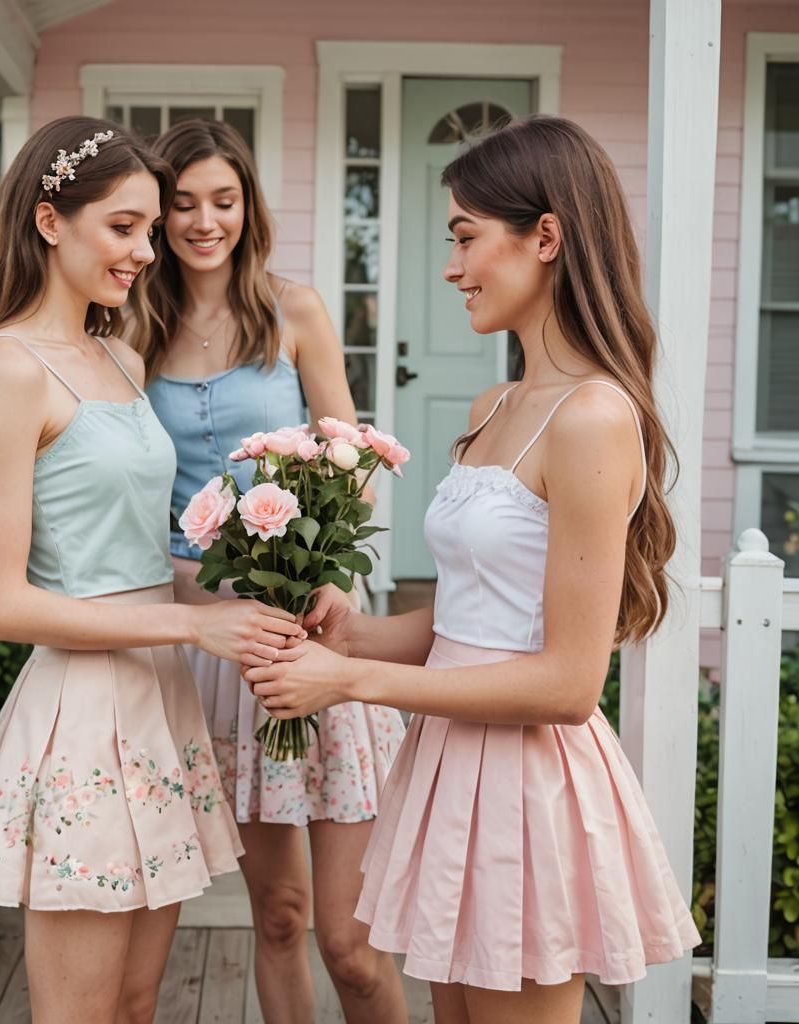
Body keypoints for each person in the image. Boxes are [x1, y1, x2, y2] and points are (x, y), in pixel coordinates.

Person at [245, 114, 701, 1024]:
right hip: (452, 762)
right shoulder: (497, 402)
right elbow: (471, 620)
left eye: (464, 238)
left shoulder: (594, 418)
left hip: (527, 784)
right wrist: (356, 630)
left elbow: (570, 683)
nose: (451, 268)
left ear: (548, 235)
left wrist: (350, 681)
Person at [0, 116, 304, 1024]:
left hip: (158, 704)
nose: (147, 250)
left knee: (136, 1007)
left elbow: (144, 561)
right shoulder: (8, 366)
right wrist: (193, 625)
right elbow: (0, 603)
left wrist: (257, 602)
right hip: (80, 717)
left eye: (150, 229)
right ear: (49, 220)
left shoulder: (120, 354)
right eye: (124, 227)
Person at [131, 119, 407, 1024]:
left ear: (248, 206)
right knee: (279, 916)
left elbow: (354, 464)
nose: (204, 221)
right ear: (160, 215)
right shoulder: (134, 322)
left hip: (310, 625)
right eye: (183, 204)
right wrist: (184, 592)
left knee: (350, 943)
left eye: (224, 200)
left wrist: (326, 573)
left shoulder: (296, 310)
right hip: (211, 635)